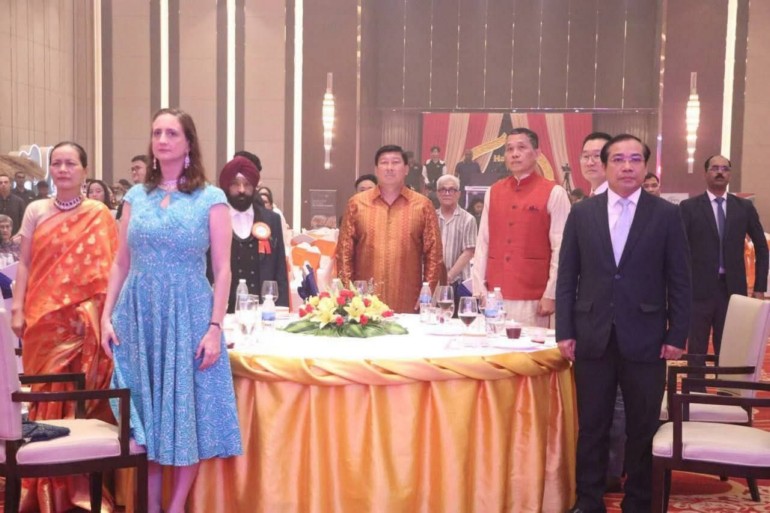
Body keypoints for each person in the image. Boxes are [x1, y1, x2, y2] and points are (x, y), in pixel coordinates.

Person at [101, 108, 242, 513]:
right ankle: (149, 506)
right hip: (138, 314)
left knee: (185, 410)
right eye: (156, 133)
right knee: (146, 415)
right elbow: (120, 262)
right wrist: (106, 315)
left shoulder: (211, 198)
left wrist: (215, 327)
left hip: (188, 313)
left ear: (188, 143)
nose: (162, 140)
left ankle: (176, 506)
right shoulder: (135, 197)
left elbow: (222, 269)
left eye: (171, 133)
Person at [556, 134, 691, 513]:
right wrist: (565, 330)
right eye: (618, 159)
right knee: (592, 425)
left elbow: (680, 279)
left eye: (635, 159)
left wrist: (677, 333)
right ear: (605, 166)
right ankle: (588, 500)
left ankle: (639, 501)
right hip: (592, 336)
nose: (627, 166)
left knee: (642, 426)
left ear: (646, 167)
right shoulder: (583, 213)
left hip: (647, 338)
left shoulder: (665, 214)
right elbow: (567, 277)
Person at [11, 141, 119, 513]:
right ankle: (43, 485)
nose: (62, 169)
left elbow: (110, 269)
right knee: (43, 396)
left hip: (85, 324)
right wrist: (18, 309)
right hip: (43, 320)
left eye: (70, 163)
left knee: (83, 398)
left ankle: (80, 486)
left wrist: (102, 316)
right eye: (56, 163)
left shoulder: (99, 214)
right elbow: (25, 263)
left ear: (84, 170)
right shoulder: (35, 210)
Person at [472, 128, 571, 327]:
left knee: (529, 347)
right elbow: (483, 242)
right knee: (494, 344)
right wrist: (478, 288)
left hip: (534, 295)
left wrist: (551, 293)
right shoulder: (493, 191)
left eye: (521, 148)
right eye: (509, 149)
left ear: (537, 153)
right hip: (494, 293)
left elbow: (562, 248)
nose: (514, 154)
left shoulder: (554, 192)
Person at [680, 155, 768, 364]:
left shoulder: (744, 207)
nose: (720, 172)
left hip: (732, 290)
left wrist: (759, 287)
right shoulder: (689, 207)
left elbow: (761, 247)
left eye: (725, 169)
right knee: (696, 348)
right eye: (715, 168)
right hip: (697, 290)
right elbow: (678, 250)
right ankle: (696, 384)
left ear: (730, 174)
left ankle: (723, 384)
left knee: (729, 348)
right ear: (705, 173)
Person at [337, 144, 443, 313]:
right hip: (364, 305)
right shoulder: (357, 204)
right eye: (384, 162)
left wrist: (428, 290)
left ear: (406, 169)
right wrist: (348, 294)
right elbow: (344, 253)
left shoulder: (423, 205)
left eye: (395, 162)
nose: (389, 167)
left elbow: (434, 253)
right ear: (376, 169)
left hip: (409, 301)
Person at [209, 155, 289, 310]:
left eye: (247, 184)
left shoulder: (271, 220)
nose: (241, 190)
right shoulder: (213, 219)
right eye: (235, 184)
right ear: (227, 187)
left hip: (264, 312)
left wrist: (281, 312)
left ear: (254, 187)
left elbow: (280, 272)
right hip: (222, 311)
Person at [436, 174, 477, 307]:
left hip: (459, 283)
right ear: (437, 193)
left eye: (451, 190)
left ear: (458, 194)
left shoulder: (468, 219)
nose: (447, 193)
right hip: (434, 283)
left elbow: (469, 252)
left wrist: (448, 277)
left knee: (457, 319)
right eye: (443, 189)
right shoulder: (430, 217)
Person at [116, 155, 149, 220]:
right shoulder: (129, 195)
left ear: (149, 169)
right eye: (132, 169)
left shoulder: (156, 192)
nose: (134, 172)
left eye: (138, 168)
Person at [580, 132, 612, 196]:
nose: (589, 163)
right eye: (586, 156)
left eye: (597, 155)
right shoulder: (586, 200)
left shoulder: (621, 197)